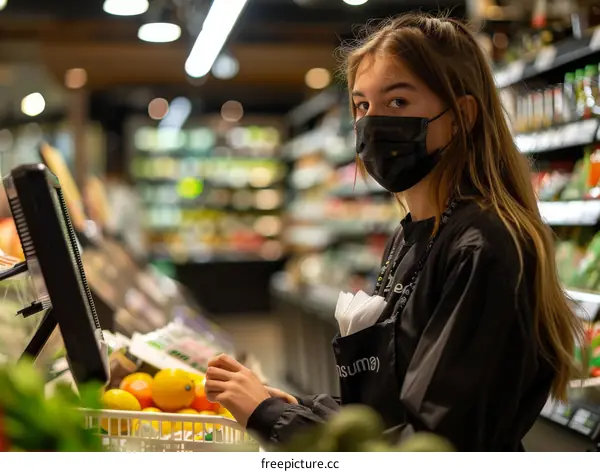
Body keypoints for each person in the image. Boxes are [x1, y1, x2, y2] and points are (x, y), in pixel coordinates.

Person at [204, 13, 583, 451]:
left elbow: (432, 445)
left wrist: (271, 418)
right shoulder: (412, 235)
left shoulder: (484, 246)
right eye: (362, 105)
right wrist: (297, 406)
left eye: (398, 102)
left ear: (460, 115)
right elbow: (392, 411)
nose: (373, 122)